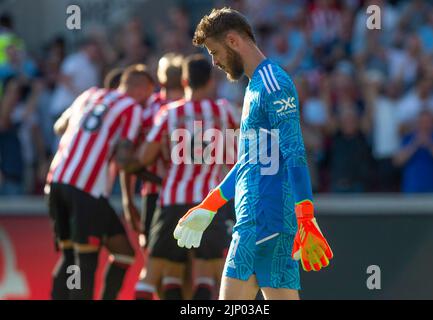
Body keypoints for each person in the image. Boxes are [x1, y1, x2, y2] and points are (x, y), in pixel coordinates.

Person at [173, 7, 333, 300]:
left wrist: (306, 217)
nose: (215, 62)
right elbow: (251, 160)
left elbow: (295, 152)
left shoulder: (273, 83)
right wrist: (210, 205)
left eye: (214, 51)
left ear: (233, 41)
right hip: (257, 220)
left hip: (265, 220)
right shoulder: (255, 86)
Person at [126, 54, 238, 299]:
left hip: (172, 200)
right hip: (208, 202)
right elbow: (239, 154)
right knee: (207, 275)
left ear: (185, 81)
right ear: (210, 81)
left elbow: (144, 157)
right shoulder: (222, 110)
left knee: (151, 275)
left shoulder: (169, 113)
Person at [45, 64, 154, 300]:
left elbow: (59, 127)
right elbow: (125, 159)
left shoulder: (89, 94)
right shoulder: (131, 108)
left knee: (117, 252)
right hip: (86, 189)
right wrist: (154, 176)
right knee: (84, 261)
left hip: (56, 182)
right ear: (142, 88)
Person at [394, 109, 433, 193]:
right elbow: (398, 161)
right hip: (412, 188)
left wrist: (430, 144)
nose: (425, 125)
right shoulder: (408, 138)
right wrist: (415, 144)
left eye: (428, 122)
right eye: (422, 122)